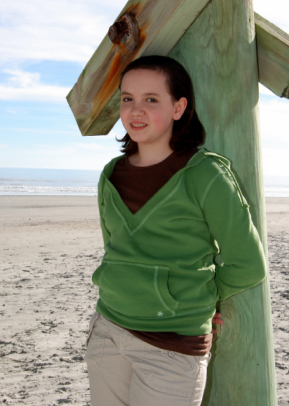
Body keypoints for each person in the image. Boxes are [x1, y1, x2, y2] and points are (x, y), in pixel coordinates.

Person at [84, 55, 266, 406]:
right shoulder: (111, 174)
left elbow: (248, 264)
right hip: (108, 333)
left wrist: (200, 297)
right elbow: (115, 250)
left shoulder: (206, 175)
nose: (136, 111)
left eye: (151, 100)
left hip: (170, 348)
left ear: (179, 107)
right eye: (127, 99)